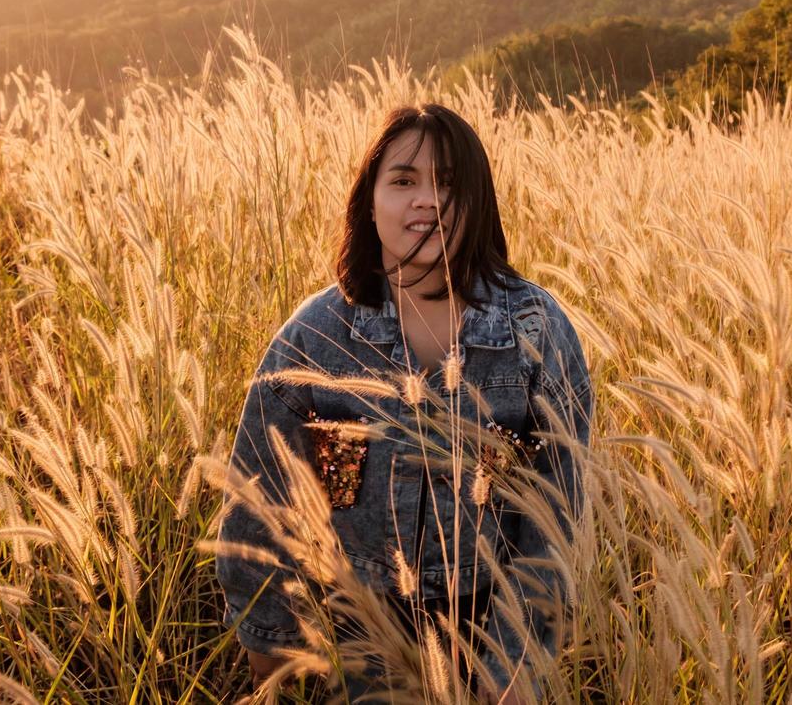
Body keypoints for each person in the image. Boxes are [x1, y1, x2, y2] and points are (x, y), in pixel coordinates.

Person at [216, 103, 593, 703]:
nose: (427, 201)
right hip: (356, 636)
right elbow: (256, 506)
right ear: (370, 201)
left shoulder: (534, 330)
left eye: (448, 184)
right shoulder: (316, 336)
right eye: (403, 181)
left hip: (493, 626)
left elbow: (558, 513)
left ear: (479, 203)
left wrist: (513, 670)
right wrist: (272, 651)